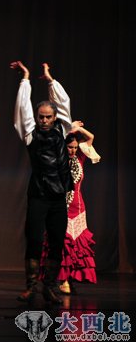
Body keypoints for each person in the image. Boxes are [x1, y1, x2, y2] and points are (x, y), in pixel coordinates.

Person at [12, 61, 73, 304]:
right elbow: (23, 110)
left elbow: (64, 104)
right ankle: (30, 286)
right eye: (41, 117)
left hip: (58, 197)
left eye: (48, 117)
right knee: (35, 241)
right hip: (38, 195)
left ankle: (49, 286)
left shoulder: (62, 130)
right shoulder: (30, 134)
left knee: (56, 242)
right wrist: (25, 79)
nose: (45, 120)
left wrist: (50, 81)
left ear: (54, 117)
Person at [42, 124, 100, 295]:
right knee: (62, 244)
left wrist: (78, 130)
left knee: (76, 246)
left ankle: (71, 278)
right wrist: (68, 130)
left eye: (75, 147)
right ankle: (62, 280)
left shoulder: (80, 158)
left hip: (78, 207)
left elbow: (90, 138)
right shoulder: (57, 160)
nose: (73, 150)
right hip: (61, 206)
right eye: (70, 147)